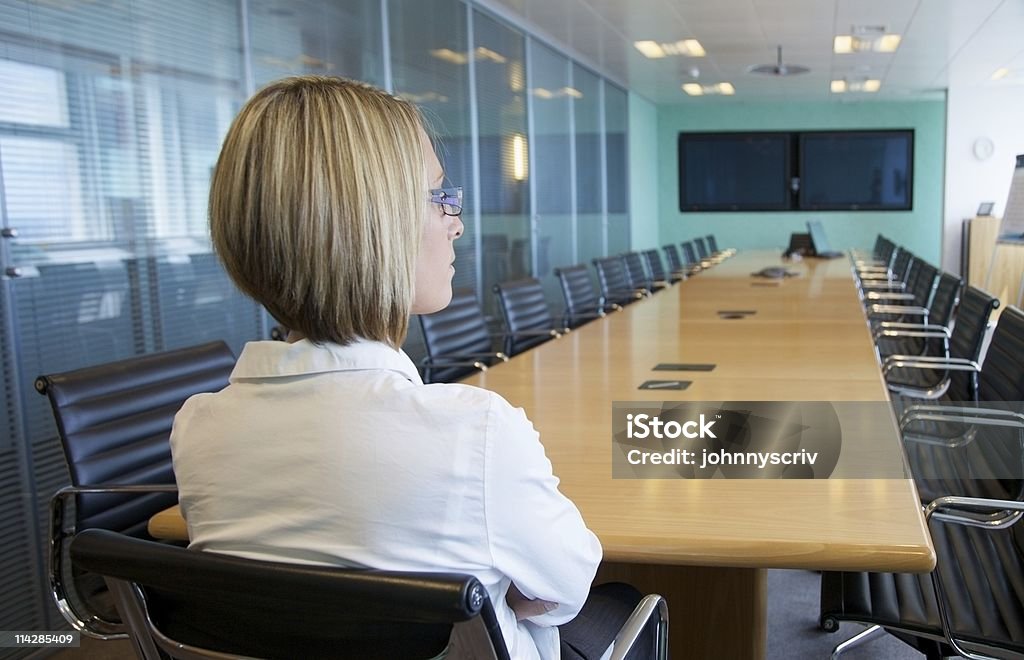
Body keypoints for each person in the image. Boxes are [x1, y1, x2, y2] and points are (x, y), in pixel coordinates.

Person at [170, 75, 646, 659]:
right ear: (372, 223)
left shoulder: (198, 429)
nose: (458, 222)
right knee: (621, 601)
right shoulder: (477, 433)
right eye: (440, 197)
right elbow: (561, 592)